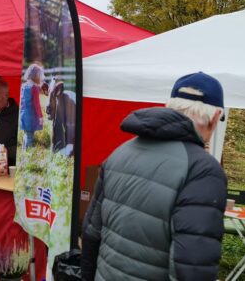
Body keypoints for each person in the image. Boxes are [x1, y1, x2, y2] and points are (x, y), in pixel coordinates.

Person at [81, 72, 228, 280]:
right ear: (214, 118)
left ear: (170, 107)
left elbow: (90, 233)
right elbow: (192, 266)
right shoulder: (202, 170)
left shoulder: (120, 153)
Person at [19, 64, 44, 148]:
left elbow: (22, 102)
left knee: (26, 135)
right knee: (30, 137)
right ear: (36, 75)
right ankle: (27, 155)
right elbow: (37, 104)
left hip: (23, 115)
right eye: (40, 75)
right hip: (31, 117)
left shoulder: (23, 86)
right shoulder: (34, 88)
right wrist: (40, 117)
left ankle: (23, 152)